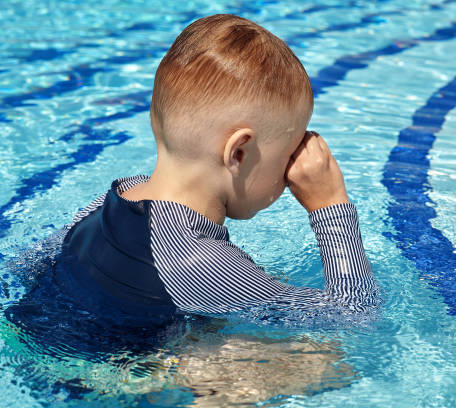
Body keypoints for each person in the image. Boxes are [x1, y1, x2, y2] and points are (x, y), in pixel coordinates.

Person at [5, 14, 379, 334]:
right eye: (291, 151)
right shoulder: (205, 265)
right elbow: (352, 316)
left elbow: (30, 263)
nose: (291, 169)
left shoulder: (117, 196)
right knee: (320, 365)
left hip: (42, 340)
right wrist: (330, 205)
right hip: (103, 388)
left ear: (155, 118)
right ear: (239, 152)